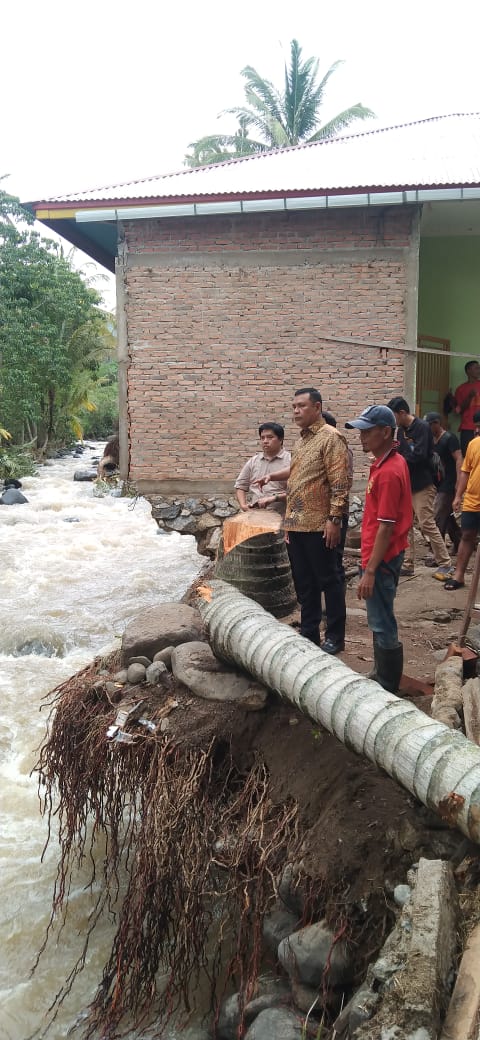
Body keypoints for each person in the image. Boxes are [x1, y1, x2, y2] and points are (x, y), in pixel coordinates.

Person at [345, 405, 412, 693]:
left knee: (382, 619)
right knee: (378, 616)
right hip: (379, 554)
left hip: (381, 558)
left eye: (367, 432)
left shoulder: (388, 472)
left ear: (386, 432)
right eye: (360, 431)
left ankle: (387, 683)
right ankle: (380, 672)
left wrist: (370, 570)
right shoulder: (385, 463)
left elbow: (386, 526)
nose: (361, 437)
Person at [283, 388, 350, 654]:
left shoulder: (331, 438)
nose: (296, 411)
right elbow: (295, 483)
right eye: (293, 407)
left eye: (301, 406)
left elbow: (340, 483)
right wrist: (288, 523)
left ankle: (335, 635)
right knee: (303, 582)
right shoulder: (300, 442)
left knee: (329, 580)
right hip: (297, 525)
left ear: (317, 407)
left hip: (320, 525)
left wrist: (334, 519)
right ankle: (309, 631)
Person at [387, 397, 453, 580]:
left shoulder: (422, 427)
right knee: (405, 525)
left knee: (426, 523)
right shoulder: (400, 430)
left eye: (393, 416)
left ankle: (445, 563)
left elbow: (420, 456)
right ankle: (408, 564)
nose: (393, 421)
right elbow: (400, 453)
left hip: (423, 484)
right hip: (406, 484)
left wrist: (400, 457)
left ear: (402, 413)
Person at [444, 422, 480, 591]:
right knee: (466, 536)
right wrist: (458, 496)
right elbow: (466, 471)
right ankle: (459, 575)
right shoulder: (474, 444)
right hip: (473, 501)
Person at [423, 412, 462, 559]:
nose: (428, 428)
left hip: (449, 482)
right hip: (438, 482)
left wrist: (459, 482)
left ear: (437, 423)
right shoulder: (431, 440)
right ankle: (460, 541)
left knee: (438, 515)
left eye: (430, 425)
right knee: (448, 516)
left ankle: (436, 553)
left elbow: (459, 459)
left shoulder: (449, 438)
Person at [323, 410, 353, 586]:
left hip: (336, 513)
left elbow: (342, 485)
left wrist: (335, 517)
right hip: (322, 514)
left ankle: (336, 607)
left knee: (334, 560)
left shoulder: (342, 450)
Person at [234, 422, 290, 513]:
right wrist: (243, 505)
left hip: (282, 516)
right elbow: (240, 485)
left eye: (270, 437)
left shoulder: (291, 461)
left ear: (280, 439)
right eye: (262, 438)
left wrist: (273, 498)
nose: (265, 441)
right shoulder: (254, 461)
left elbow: (298, 492)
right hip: (256, 515)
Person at [453, 360, 480, 456]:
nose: (479, 370)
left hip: (479, 426)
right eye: (476, 368)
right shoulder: (461, 389)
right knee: (467, 456)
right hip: (467, 427)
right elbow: (459, 410)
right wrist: (469, 397)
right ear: (468, 371)